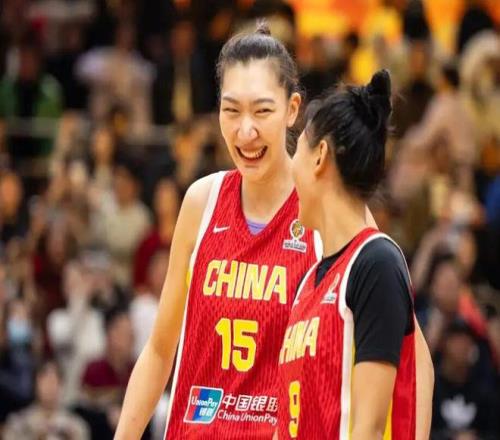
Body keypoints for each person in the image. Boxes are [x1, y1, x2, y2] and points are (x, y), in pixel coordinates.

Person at [115, 23, 323, 438]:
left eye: (262, 111)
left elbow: (404, 343)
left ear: (292, 109)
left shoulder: (325, 209)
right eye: (231, 111)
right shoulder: (201, 202)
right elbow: (159, 350)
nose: (245, 131)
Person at [277, 70, 433, 439]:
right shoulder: (308, 282)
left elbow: (369, 428)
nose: (290, 167)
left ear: (320, 156)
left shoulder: (376, 263)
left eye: (297, 149)